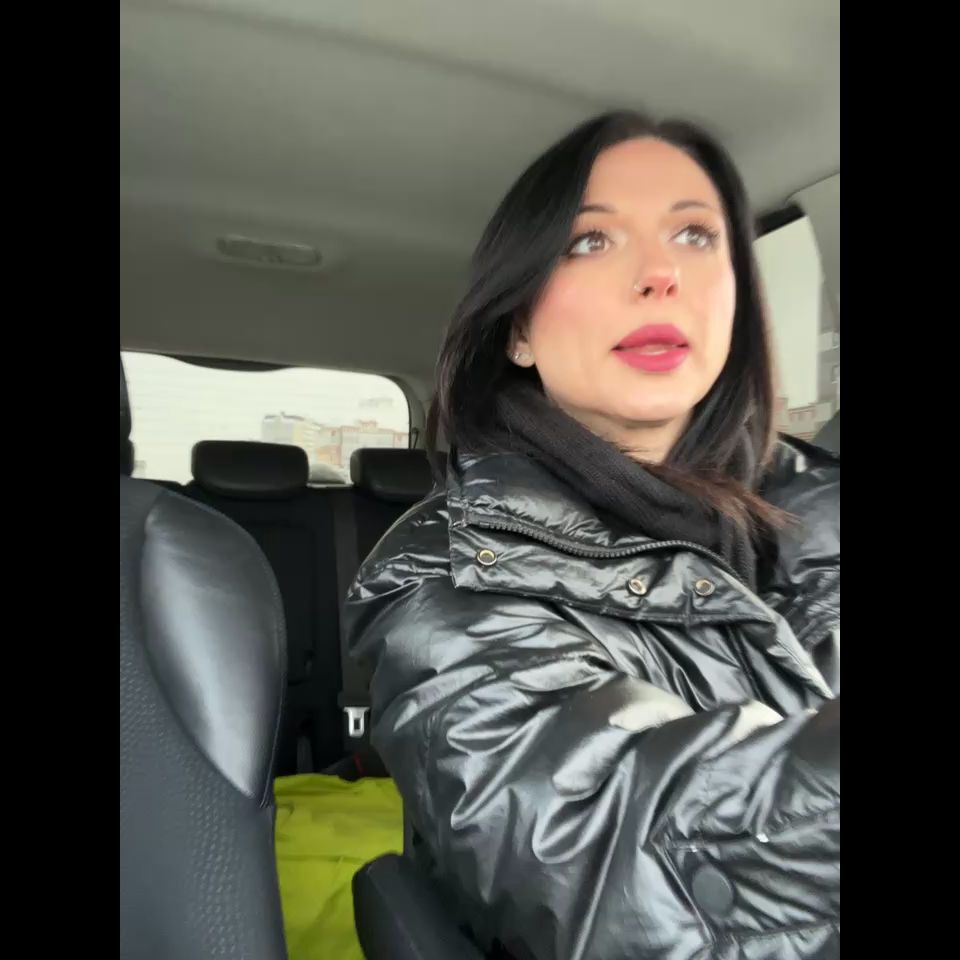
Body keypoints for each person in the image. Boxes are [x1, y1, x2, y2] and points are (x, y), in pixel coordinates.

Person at [344, 111, 839, 960]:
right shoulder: (444, 575)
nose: (659, 274)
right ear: (519, 330)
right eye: (589, 241)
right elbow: (612, 856)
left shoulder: (816, 502)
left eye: (695, 235)